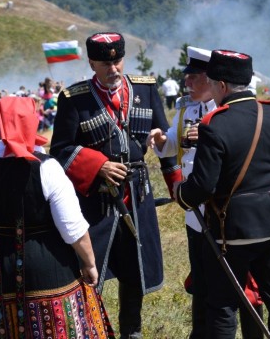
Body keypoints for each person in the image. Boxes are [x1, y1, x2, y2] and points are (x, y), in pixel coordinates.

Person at [50, 32, 182, 338]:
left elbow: (163, 141)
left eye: (118, 60)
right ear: (92, 63)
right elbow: (60, 150)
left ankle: (131, 332)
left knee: (135, 270)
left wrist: (175, 182)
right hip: (97, 199)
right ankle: (91, 329)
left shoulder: (145, 90)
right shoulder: (75, 99)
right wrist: (98, 166)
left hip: (138, 193)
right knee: (90, 268)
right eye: (106, 63)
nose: (114, 68)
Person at [0, 96, 114, 338]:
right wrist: (90, 264)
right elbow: (72, 228)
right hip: (50, 271)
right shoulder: (48, 167)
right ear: (33, 121)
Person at [175, 49, 270, 338]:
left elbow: (203, 185)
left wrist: (180, 192)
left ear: (221, 85)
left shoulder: (214, 125)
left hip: (228, 232)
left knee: (222, 306)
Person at [147, 46, 264, 339]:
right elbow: (174, 143)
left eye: (194, 78)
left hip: (224, 209)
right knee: (201, 280)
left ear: (212, 80)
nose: (187, 83)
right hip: (194, 212)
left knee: (242, 283)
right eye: (187, 78)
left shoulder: (227, 108)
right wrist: (161, 139)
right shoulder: (187, 107)